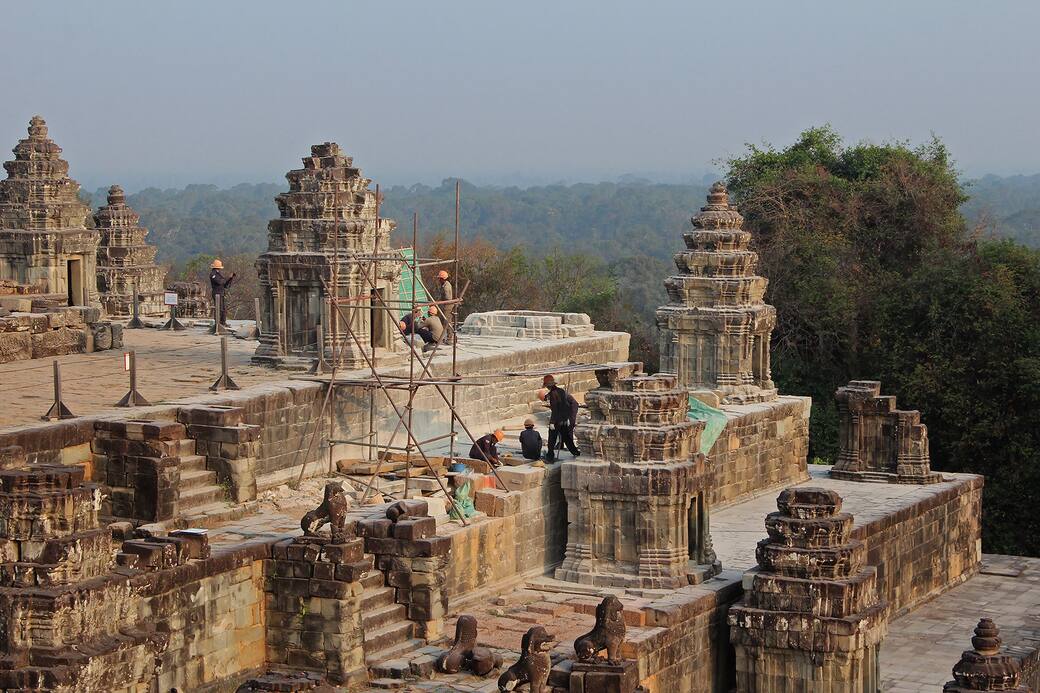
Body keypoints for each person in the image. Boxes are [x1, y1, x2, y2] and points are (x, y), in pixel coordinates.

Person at [543, 374, 580, 461]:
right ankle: (575, 452)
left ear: (548, 386)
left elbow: (555, 409)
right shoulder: (561, 391)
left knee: (552, 438)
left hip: (557, 420)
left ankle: (550, 456)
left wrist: (552, 422)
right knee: (567, 438)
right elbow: (565, 405)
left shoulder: (553, 395)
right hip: (564, 418)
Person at [209, 259, 236, 326]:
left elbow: (224, 284)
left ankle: (223, 322)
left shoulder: (218, 274)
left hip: (221, 293)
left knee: (223, 309)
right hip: (217, 293)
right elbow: (220, 282)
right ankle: (218, 323)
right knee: (219, 308)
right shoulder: (213, 274)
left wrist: (230, 278)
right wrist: (228, 277)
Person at [435, 270, 456, 343]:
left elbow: (447, 298)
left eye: (439, 279)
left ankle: (450, 338)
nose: (439, 280)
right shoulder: (444, 285)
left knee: (446, 322)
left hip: (447, 306)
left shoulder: (446, 286)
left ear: (442, 279)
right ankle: (450, 337)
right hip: (445, 305)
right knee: (447, 322)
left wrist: (440, 301)